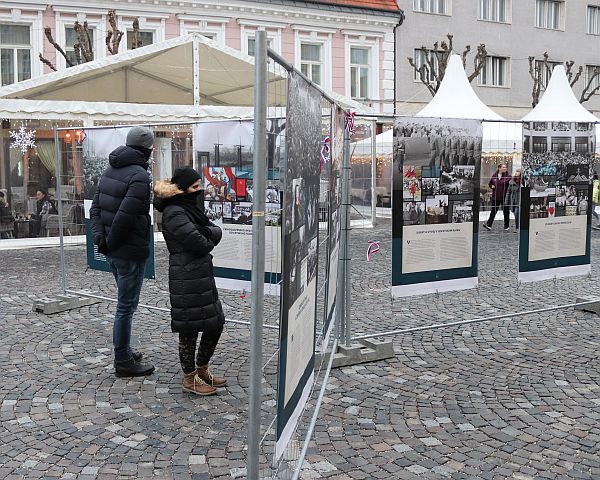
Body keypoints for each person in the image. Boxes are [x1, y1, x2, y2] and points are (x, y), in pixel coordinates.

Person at [153, 167, 226, 396]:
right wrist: (210, 233)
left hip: (200, 272)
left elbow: (209, 231)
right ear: (183, 189)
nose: (199, 190)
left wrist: (209, 232)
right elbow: (201, 241)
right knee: (190, 329)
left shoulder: (187, 208)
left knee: (216, 322)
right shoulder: (175, 212)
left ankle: (202, 369)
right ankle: (189, 378)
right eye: (195, 187)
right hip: (186, 276)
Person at [89, 126, 155, 378]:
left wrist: (101, 241)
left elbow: (95, 210)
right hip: (127, 252)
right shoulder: (139, 176)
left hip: (114, 250)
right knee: (126, 306)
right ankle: (123, 360)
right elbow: (125, 218)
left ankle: (125, 349)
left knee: (124, 305)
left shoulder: (110, 170)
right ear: (146, 148)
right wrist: (108, 242)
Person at [483, 163, 511, 231]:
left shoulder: (508, 177)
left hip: (505, 197)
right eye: (503, 167)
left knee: (506, 212)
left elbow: (511, 185)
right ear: (499, 168)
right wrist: (491, 186)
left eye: (505, 167)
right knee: (493, 211)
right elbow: (490, 183)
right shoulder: (494, 176)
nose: (505, 168)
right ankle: (489, 225)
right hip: (495, 197)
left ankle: (506, 226)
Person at [504, 169, 521, 233]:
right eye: (516, 171)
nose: (517, 173)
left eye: (518, 171)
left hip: (520, 200)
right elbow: (508, 192)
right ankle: (518, 226)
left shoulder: (523, 181)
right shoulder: (512, 182)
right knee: (515, 214)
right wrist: (506, 201)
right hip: (514, 200)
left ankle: (517, 228)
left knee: (517, 213)